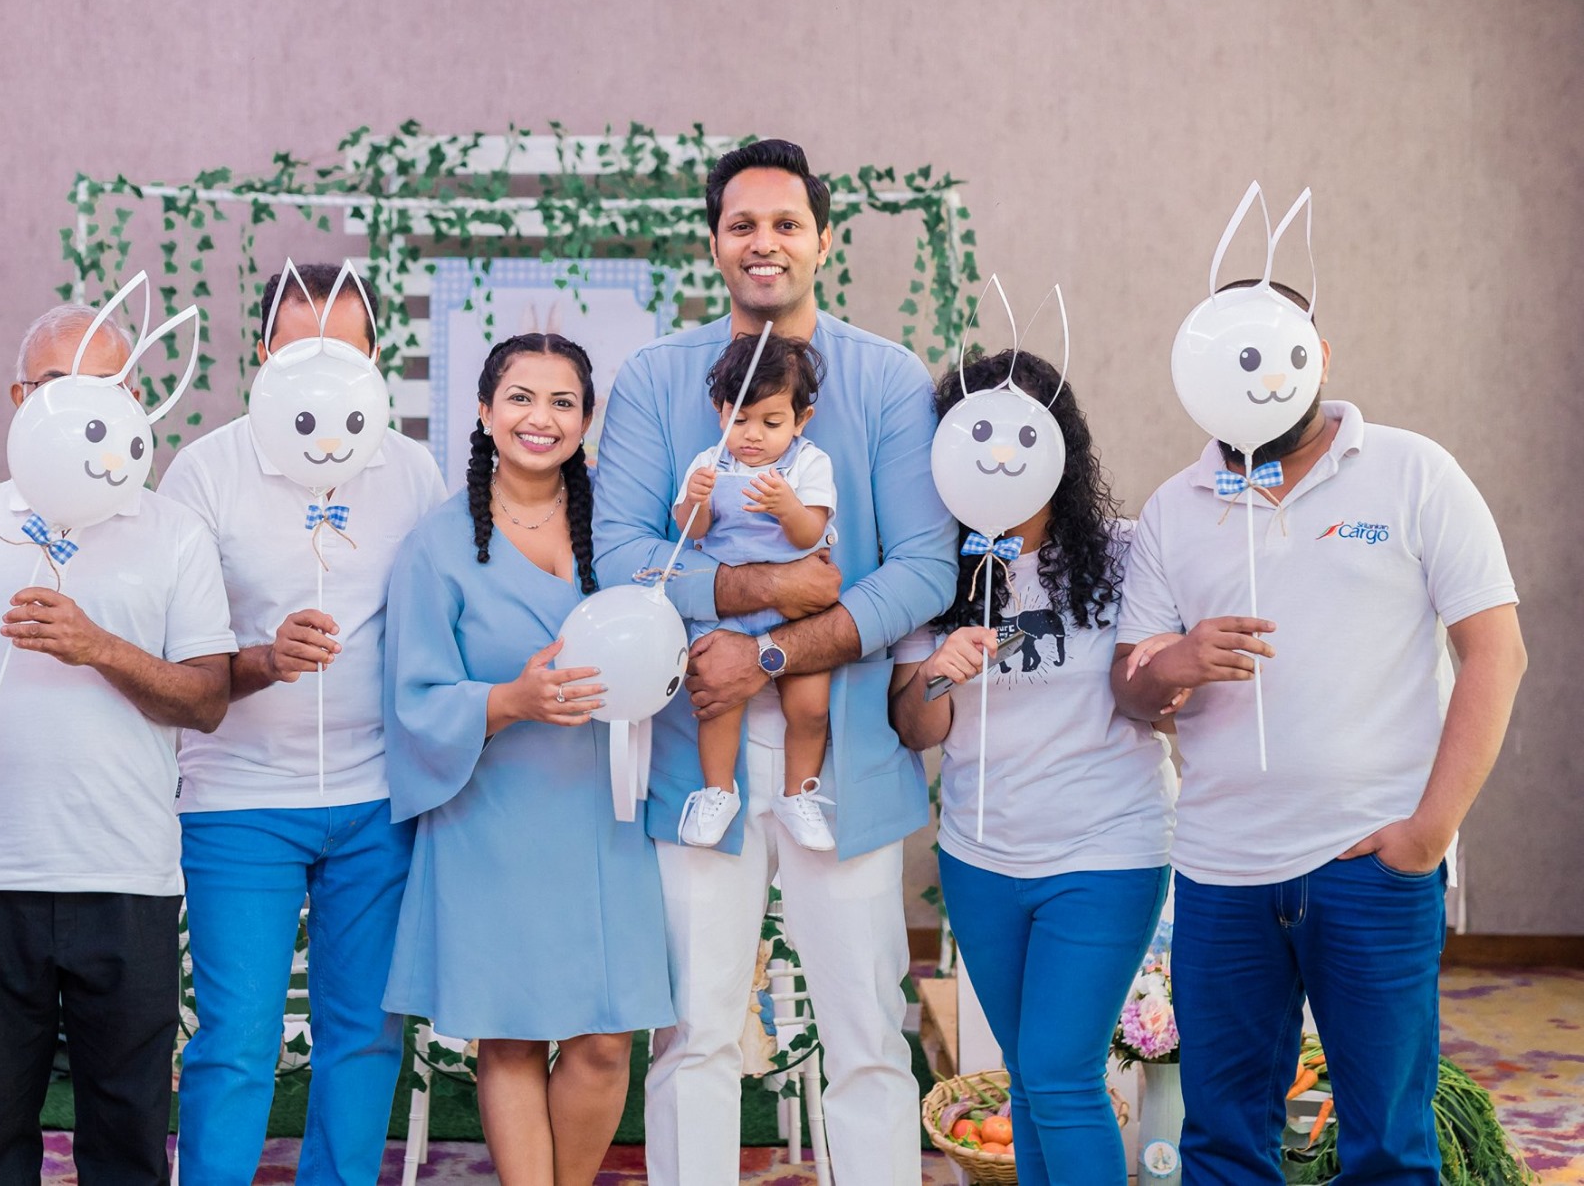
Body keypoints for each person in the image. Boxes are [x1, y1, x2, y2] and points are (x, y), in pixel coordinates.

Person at [593, 138, 957, 1184]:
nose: (765, 242)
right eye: (742, 224)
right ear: (714, 243)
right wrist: (768, 591)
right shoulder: (657, 379)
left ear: (823, 242)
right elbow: (621, 556)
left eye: (786, 223)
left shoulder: (886, 379)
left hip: (842, 754)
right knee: (695, 1035)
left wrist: (768, 651)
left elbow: (923, 568)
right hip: (690, 748)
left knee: (866, 1036)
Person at [1110, 285, 1526, 1182]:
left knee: (1389, 1147)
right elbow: (1132, 690)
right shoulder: (1175, 508)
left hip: (1373, 864)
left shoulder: (1415, 472)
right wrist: (1178, 658)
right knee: (1222, 1143)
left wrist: (1427, 835)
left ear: (1320, 355)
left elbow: (1497, 653)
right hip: (1222, 871)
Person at [0, 304, 237, 1186]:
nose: (86, 403)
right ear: (20, 398)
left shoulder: (175, 532)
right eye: (59, 384)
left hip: (127, 877)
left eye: (109, 385)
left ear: (137, 400)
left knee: (126, 1139)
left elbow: (208, 699)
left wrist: (97, 645)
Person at [158, 263, 445, 1185]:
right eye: (300, 349)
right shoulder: (205, 469)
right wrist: (264, 657)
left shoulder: (412, 468)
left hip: (376, 796)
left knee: (364, 1034)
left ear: (374, 359)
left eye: (343, 350)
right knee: (238, 1039)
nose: (322, 369)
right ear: (263, 355)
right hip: (239, 799)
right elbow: (177, 648)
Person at [382, 333, 674, 1186]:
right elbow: (413, 698)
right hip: (492, 816)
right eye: (519, 396)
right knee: (508, 1036)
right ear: (484, 411)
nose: (539, 417)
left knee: (605, 1040)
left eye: (562, 401)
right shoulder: (436, 544)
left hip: (607, 814)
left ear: (586, 420)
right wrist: (511, 699)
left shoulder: (620, 531)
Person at [890, 349, 1176, 1185]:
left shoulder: (1125, 553)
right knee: (1030, 1077)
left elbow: (1158, 689)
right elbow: (914, 726)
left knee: (1059, 1072)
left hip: (1106, 851)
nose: (999, 455)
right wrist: (938, 670)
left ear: (1058, 444)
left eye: (1021, 435)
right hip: (980, 856)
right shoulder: (934, 566)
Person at [672, 332, 838, 850]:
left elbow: (810, 534)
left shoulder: (808, 464)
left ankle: (798, 793)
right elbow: (691, 532)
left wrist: (787, 506)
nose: (752, 436)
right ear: (720, 411)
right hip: (728, 608)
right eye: (739, 419)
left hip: (799, 612)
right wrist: (696, 501)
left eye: (771, 423)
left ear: (800, 420)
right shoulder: (708, 463)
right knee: (718, 703)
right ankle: (718, 790)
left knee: (810, 706)